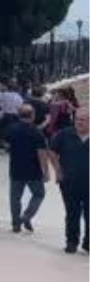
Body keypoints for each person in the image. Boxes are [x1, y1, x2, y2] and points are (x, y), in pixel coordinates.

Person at [2, 104, 48, 233]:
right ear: (32, 115)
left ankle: (16, 224)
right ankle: (26, 216)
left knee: (15, 197)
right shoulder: (37, 132)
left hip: (16, 167)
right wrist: (46, 171)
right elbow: (41, 153)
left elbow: (5, 143)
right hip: (33, 169)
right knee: (39, 194)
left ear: (19, 114)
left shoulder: (11, 129)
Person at [50, 108, 90, 254]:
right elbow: (52, 151)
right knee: (72, 213)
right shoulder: (64, 134)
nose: (79, 122)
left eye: (83, 119)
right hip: (69, 182)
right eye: (77, 119)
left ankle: (88, 243)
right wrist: (58, 170)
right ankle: (71, 241)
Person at [0, 78, 24, 149]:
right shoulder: (18, 97)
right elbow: (20, 107)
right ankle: (10, 144)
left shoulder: (3, 95)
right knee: (13, 130)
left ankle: (2, 143)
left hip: (5, 114)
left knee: (2, 130)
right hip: (15, 115)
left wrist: (2, 107)